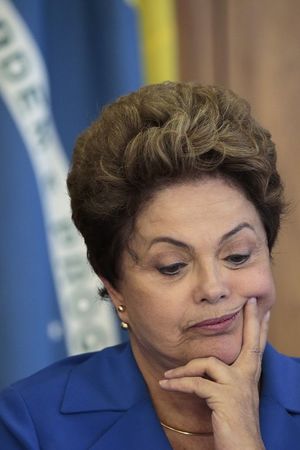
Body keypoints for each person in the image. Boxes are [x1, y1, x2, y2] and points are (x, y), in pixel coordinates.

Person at [0, 82, 299, 450]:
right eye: (172, 266)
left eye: (237, 255)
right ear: (114, 287)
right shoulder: (28, 426)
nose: (213, 287)